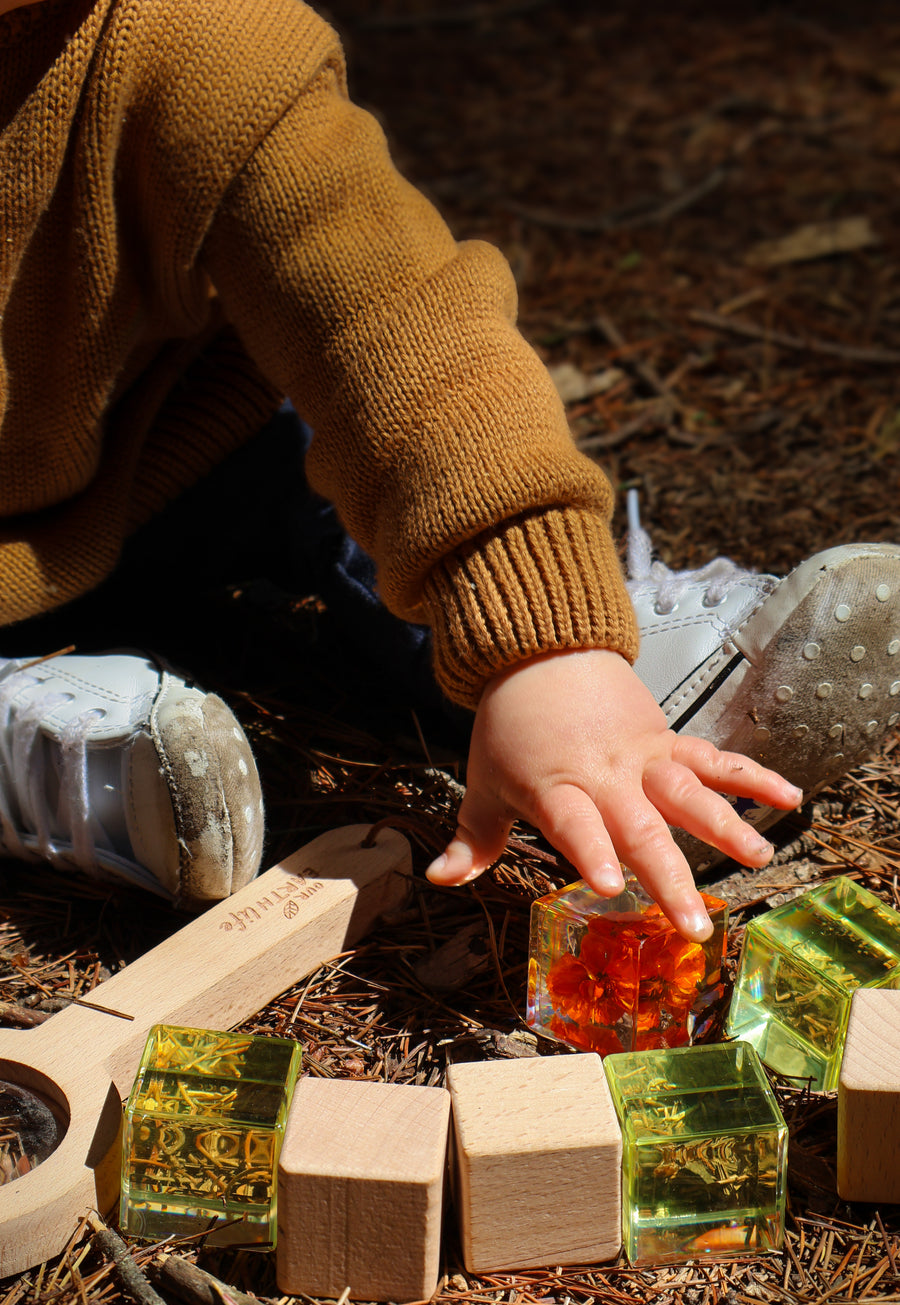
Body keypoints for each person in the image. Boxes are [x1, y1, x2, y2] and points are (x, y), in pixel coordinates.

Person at [0, 0, 894, 942]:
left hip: (159, 453)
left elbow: (393, 319)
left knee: (333, 432)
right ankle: (60, 746)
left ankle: (606, 679)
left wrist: (544, 637)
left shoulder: (191, 39)